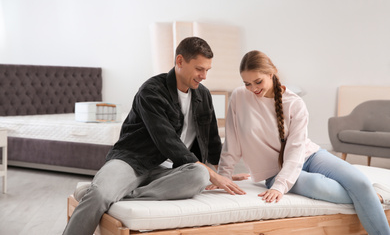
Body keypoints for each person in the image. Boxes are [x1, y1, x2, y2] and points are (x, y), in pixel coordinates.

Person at [63, 37, 245, 235]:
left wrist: (222, 174)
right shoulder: (151, 91)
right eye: (199, 69)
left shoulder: (204, 96)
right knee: (99, 194)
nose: (204, 76)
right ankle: (103, 193)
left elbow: (212, 140)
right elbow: (168, 142)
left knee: (199, 175)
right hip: (132, 161)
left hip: (168, 169)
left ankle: (121, 194)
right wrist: (215, 176)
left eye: (207, 70)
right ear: (180, 61)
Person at [208, 50, 390, 234]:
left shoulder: (294, 103)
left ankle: (373, 196)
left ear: (271, 74)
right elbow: (232, 140)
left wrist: (281, 187)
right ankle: (375, 198)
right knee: (320, 185)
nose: (253, 88)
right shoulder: (239, 97)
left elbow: (296, 150)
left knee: (361, 184)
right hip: (275, 171)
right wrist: (224, 174)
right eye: (247, 83)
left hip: (311, 156)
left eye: (258, 82)